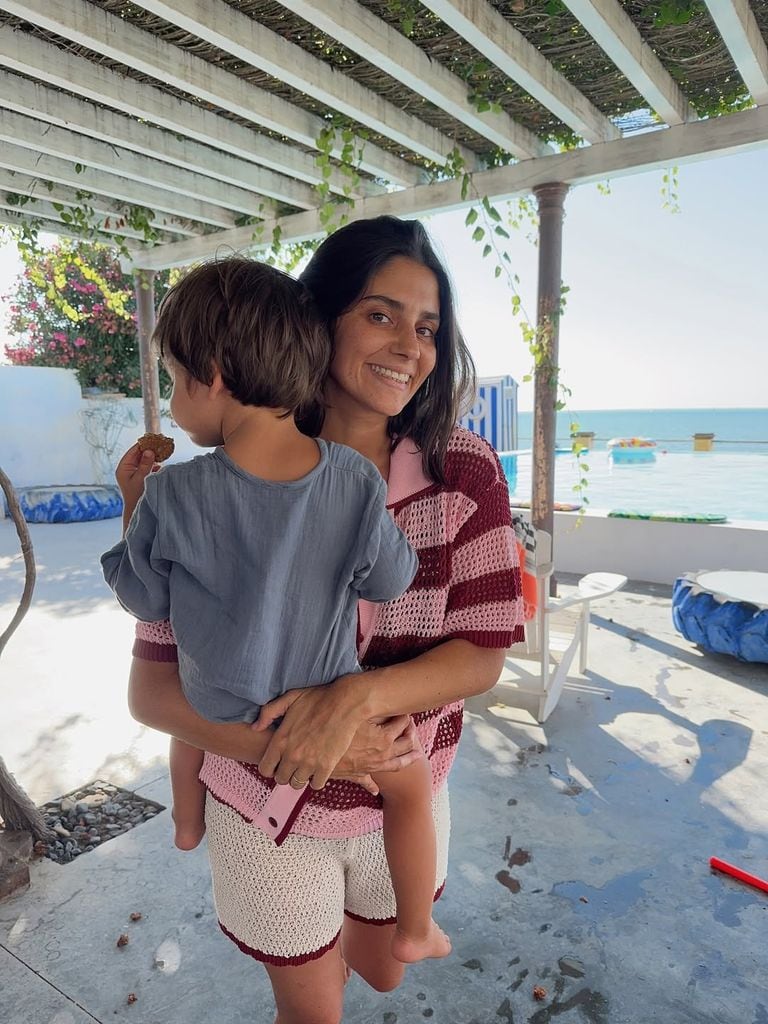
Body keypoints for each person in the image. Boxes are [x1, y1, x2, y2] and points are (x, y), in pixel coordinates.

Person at [122, 216, 525, 1024]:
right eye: (380, 314)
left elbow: (483, 655)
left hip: (402, 788)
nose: (409, 346)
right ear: (319, 319)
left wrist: (350, 703)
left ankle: (332, 945)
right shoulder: (212, 490)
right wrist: (298, 748)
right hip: (263, 805)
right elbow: (154, 691)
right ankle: (307, 958)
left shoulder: (462, 472)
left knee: (382, 972)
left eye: (427, 328)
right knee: (312, 1010)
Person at [102, 256, 453, 965]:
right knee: (411, 786)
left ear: (213, 375)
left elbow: (144, 597)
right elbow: (389, 582)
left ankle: (188, 824)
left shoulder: (172, 493)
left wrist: (133, 502)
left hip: (217, 707)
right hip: (320, 709)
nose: (173, 399)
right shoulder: (352, 478)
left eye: (173, 378)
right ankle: (416, 928)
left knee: (192, 721)